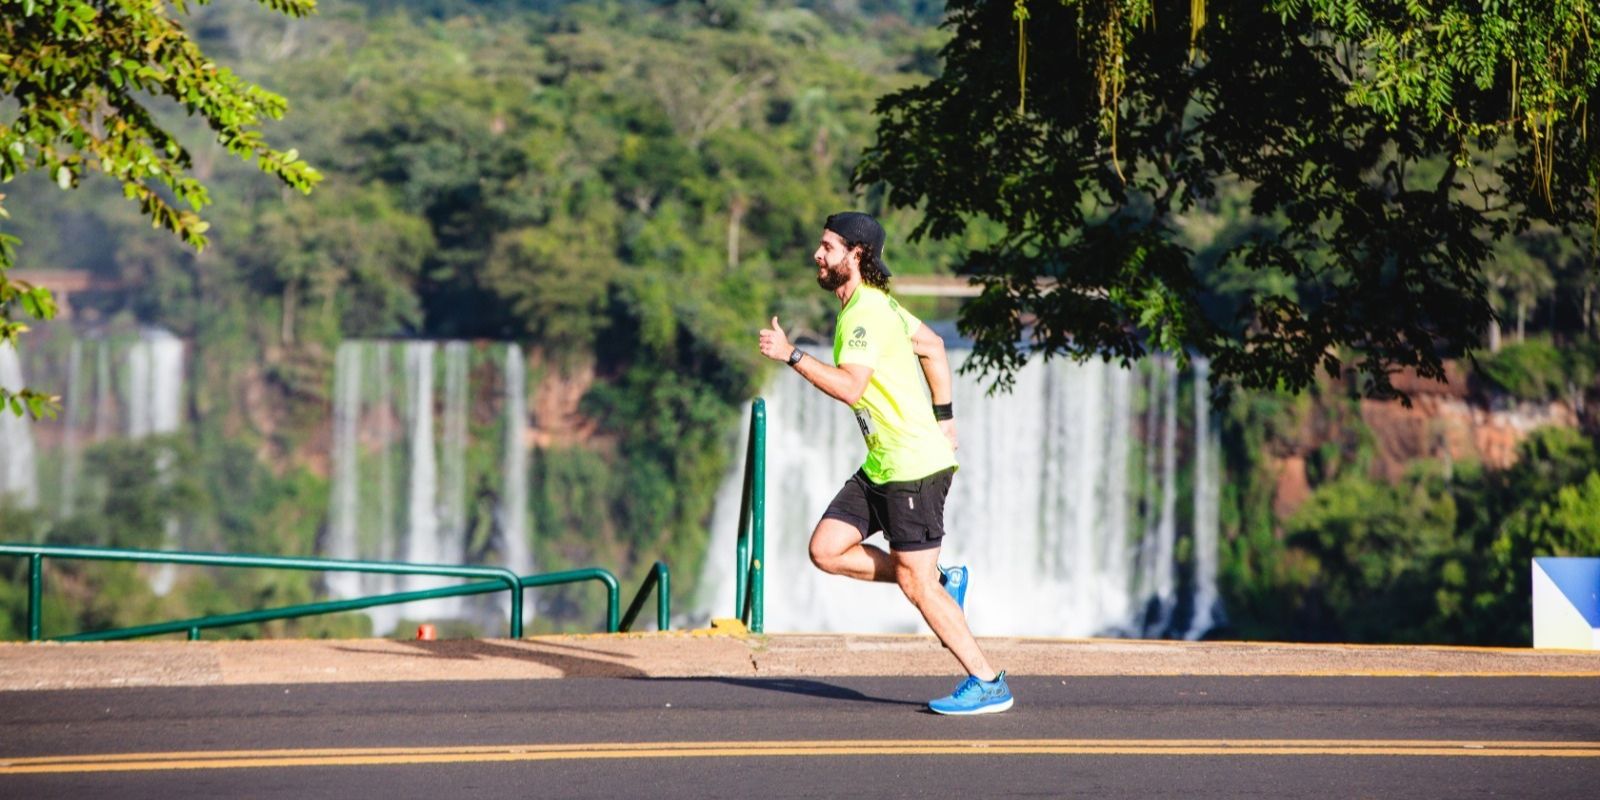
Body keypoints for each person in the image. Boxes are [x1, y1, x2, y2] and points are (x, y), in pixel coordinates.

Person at [757, 211, 1013, 715]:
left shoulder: (865, 314)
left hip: (912, 470)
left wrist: (792, 355)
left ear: (856, 255)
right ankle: (937, 580)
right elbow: (934, 346)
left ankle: (987, 681)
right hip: (883, 464)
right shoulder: (879, 306)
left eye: (827, 247)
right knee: (827, 549)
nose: (818, 254)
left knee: (916, 584)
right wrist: (945, 417)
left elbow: (851, 388)